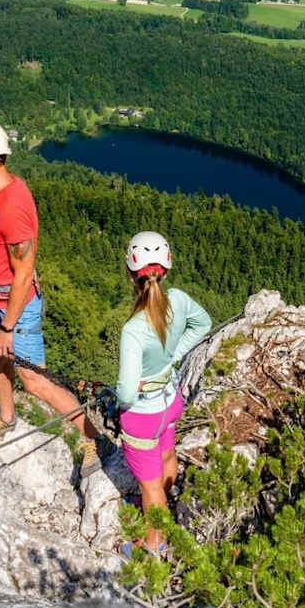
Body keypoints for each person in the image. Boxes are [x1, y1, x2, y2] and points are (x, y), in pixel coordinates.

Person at [0, 119, 103, 477]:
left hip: (14, 309)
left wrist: (7, 326)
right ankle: (6, 418)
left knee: (35, 380)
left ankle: (92, 438)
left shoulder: (11, 204)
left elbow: (24, 272)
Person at [116, 231, 211, 557]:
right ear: (166, 270)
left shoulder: (134, 330)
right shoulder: (181, 301)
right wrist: (174, 357)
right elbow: (203, 324)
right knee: (167, 456)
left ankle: (155, 542)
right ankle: (164, 504)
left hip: (143, 417)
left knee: (149, 484)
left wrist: (121, 399)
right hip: (171, 402)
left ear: (131, 273)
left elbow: (127, 392)